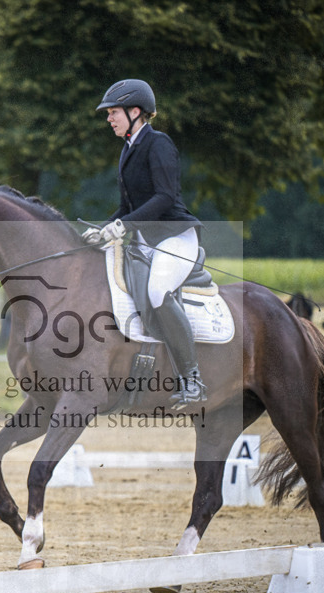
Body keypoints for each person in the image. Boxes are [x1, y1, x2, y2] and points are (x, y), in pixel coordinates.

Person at [82, 78, 206, 409]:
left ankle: (192, 379)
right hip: (148, 241)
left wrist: (124, 225)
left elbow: (165, 197)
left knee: (156, 292)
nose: (109, 119)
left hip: (176, 238)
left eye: (113, 113)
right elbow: (127, 206)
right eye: (108, 114)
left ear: (135, 112)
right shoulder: (128, 149)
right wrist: (105, 228)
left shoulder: (159, 144)